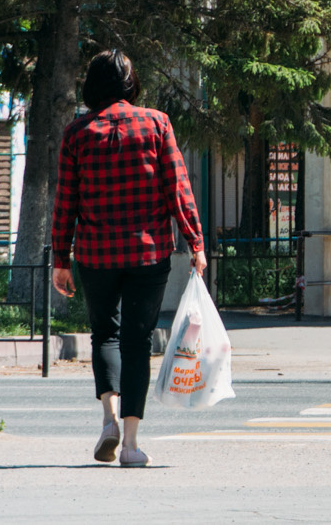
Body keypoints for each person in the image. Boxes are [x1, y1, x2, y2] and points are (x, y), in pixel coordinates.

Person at [51, 50, 206, 468]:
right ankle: (133, 445)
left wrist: (60, 258)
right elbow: (177, 186)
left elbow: (66, 200)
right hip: (148, 250)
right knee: (138, 341)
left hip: (95, 253)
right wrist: (196, 242)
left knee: (104, 334)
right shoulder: (156, 123)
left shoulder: (77, 133)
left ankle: (108, 420)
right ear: (130, 83)